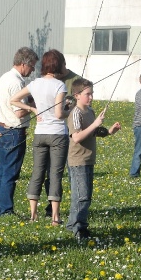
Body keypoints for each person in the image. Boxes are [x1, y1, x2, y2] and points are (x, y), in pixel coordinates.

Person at [10, 50, 74, 225]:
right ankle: (55, 217)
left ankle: (33, 215)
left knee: (37, 172)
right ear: (57, 65)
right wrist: (70, 108)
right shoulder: (60, 86)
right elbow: (60, 113)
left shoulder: (34, 83)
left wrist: (32, 109)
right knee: (55, 174)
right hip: (57, 134)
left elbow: (13, 100)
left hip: (40, 134)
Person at [66, 78, 121, 242]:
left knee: (86, 196)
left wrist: (109, 131)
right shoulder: (75, 113)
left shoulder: (90, 111)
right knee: (81, 196)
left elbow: (94, 132)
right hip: (77, 161)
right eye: (87, 94)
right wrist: (95, 123)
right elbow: (76, 137)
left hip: (89, 159)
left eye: (92, 94)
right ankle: (78, 228)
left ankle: (75, 225)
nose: (91, 97)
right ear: (76, 95)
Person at [0, 47, 39, 217]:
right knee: (10, 173)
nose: (33, 70)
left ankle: (0, 207)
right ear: (23, 64)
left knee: (2, 171)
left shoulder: (5, 77)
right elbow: (18, 111)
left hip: (3, 128)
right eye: (32, 66)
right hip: (14, 130)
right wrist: (35, 107)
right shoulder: (16, 82)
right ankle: (5, 209)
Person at [44, 50, 83, 217]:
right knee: (51, 170)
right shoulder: (49, 79)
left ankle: (76, 204)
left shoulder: (74, 80)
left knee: (72, 169)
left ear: (62, 65)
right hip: (51, 131)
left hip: (68, 130)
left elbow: (82, 105)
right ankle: (50, 205)